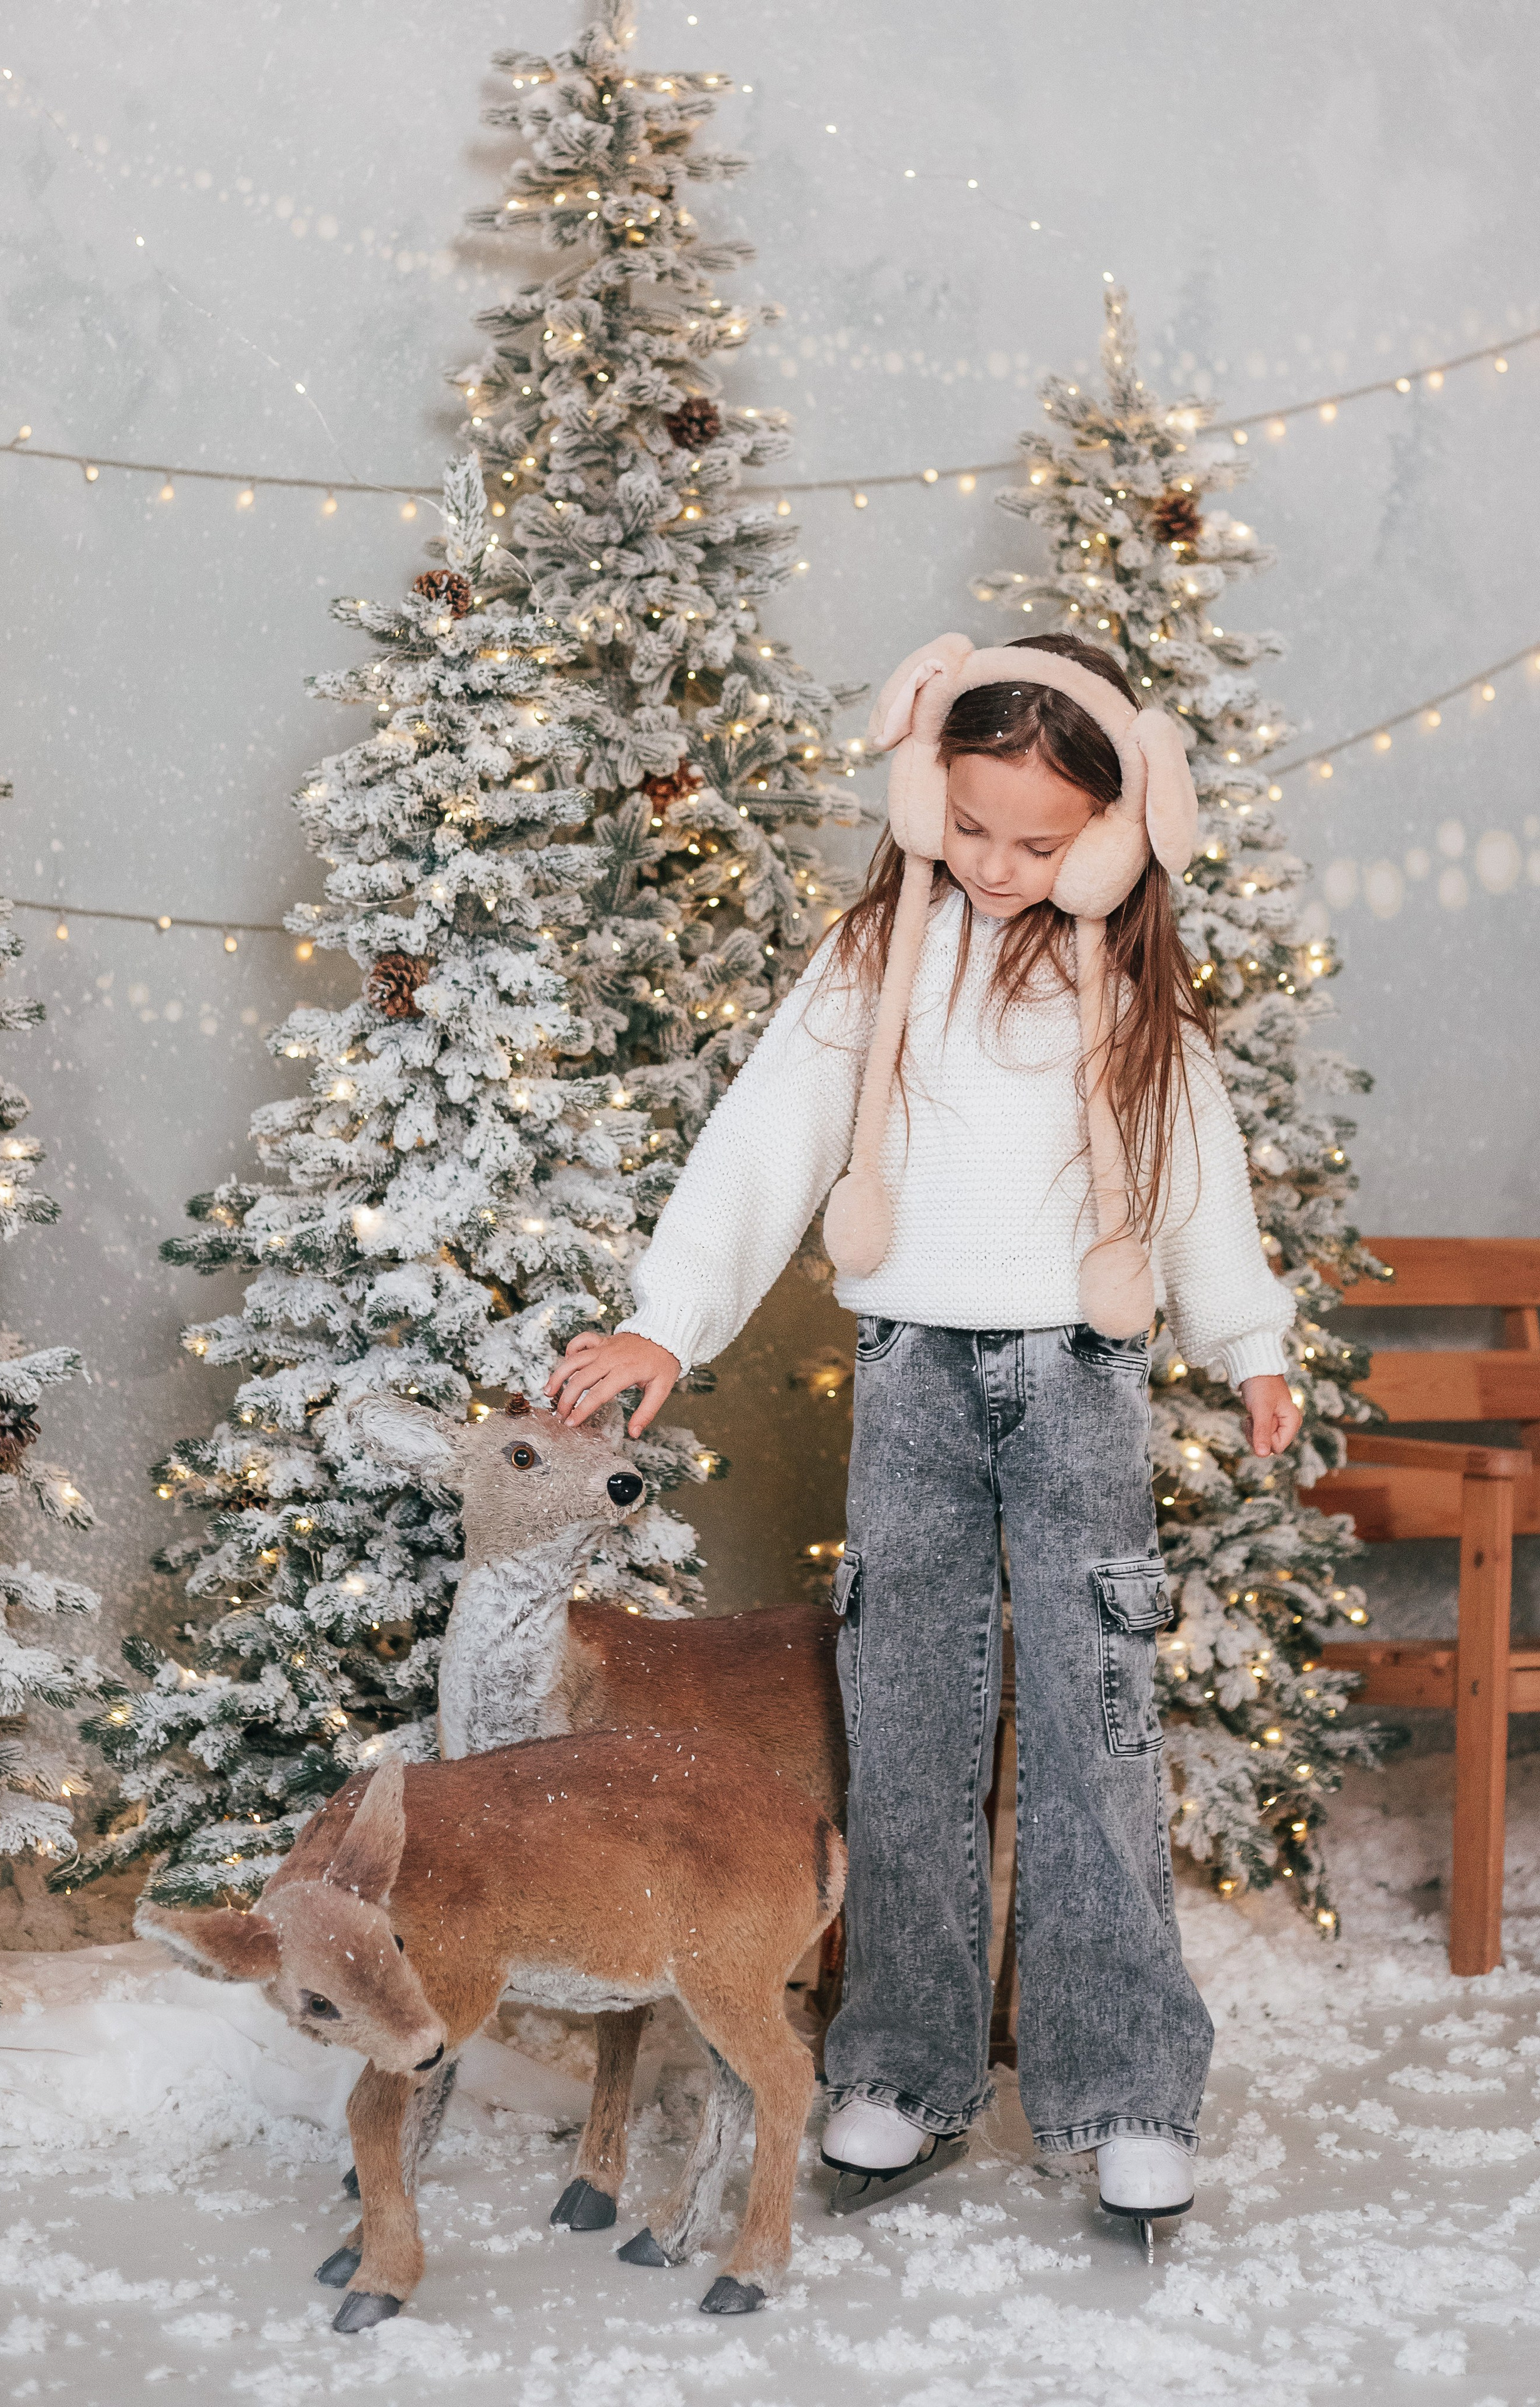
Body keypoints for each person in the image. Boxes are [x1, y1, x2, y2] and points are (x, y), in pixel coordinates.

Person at [545, 629, 1300, 2233]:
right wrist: (666, 1319)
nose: (1000, 867)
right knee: (903, 1716)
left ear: (1119, 828)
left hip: (1080, 1379)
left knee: (1093, 1721)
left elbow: (1197, 1174)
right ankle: (898, 2063)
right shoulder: (879, 957)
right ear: (920, 794)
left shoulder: (1132, 986)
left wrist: (1244, 1345)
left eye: (1043, 843)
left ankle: (1120, 2091)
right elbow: (767, 1135)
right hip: (911, 1375)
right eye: (970, 827)